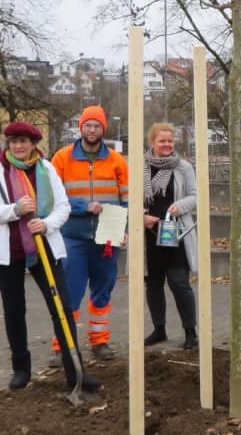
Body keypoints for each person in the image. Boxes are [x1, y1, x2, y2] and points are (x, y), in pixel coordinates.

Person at [0, 121, 100, 394]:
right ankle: (21, 369)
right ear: (8, 143)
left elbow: (63, 206)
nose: (19, 146)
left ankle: (74, 371)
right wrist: (14, 210)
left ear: (33, 145)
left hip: (44, 248)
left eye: (24, 142)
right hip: (9, 253)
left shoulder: (46, 168)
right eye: (14, 141)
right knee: (15, 309)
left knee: (62, 308)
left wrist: (47, 224)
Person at [50, 105, 129, 362]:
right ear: (81, 128)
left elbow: (127, 198)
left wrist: (124, 229)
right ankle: (63, 345)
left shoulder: (117, 160)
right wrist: (84, 207)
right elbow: (52, 198)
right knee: (70, 292)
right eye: (88, 125)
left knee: (103, 289)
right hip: (73, 236)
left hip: (107, 237)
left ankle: (100, 341)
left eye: (97, 126)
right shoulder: (62, 158)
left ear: (103, 129)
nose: (92, 130)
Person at [142, 122, 199, 350]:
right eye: (162, 141)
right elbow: (130, 198)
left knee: (179, 282)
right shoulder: (140, 167)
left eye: (170, 141)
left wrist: (179, 206)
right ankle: (159, 330)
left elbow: (196, 196)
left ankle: (190, 331)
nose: (166, 145)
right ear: (152, 142)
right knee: (153, 284)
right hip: (149, 234)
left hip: (176, 233)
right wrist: (142, 216)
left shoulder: (183, 167)